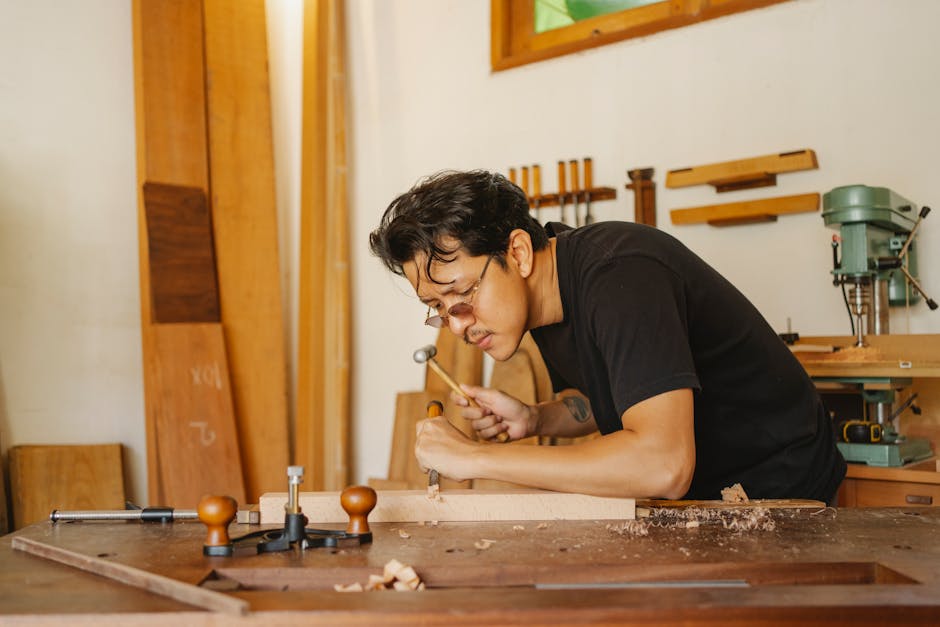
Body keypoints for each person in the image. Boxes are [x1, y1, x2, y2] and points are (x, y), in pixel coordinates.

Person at [369, 169, 846, 501]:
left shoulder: (621, 276)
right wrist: (538, 419)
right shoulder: (543, 302)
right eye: (437, 310)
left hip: (780, 486)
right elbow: (615, 400)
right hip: (709, 494)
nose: (457, 325)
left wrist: (474, 459)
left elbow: (663, 464)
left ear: (516, 253)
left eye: (462, 297)